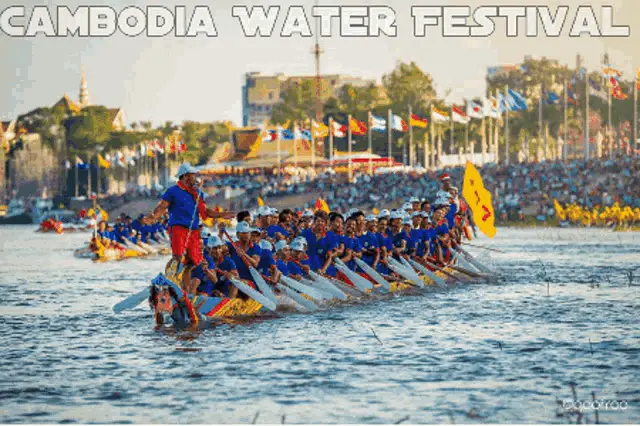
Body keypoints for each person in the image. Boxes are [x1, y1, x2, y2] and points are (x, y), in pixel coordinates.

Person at [144, 163, 234, 295]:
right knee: (178, 257)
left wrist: (221, 215)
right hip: (178, 228)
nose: (195, 177)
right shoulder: (173, 191)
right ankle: (169, 280)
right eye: (193, 175)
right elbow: (162, 206)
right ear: (185, 176)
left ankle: (186, 291)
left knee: (193, 262)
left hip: (193, 231)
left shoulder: (197, 193)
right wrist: (154, 217)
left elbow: (205, 211)